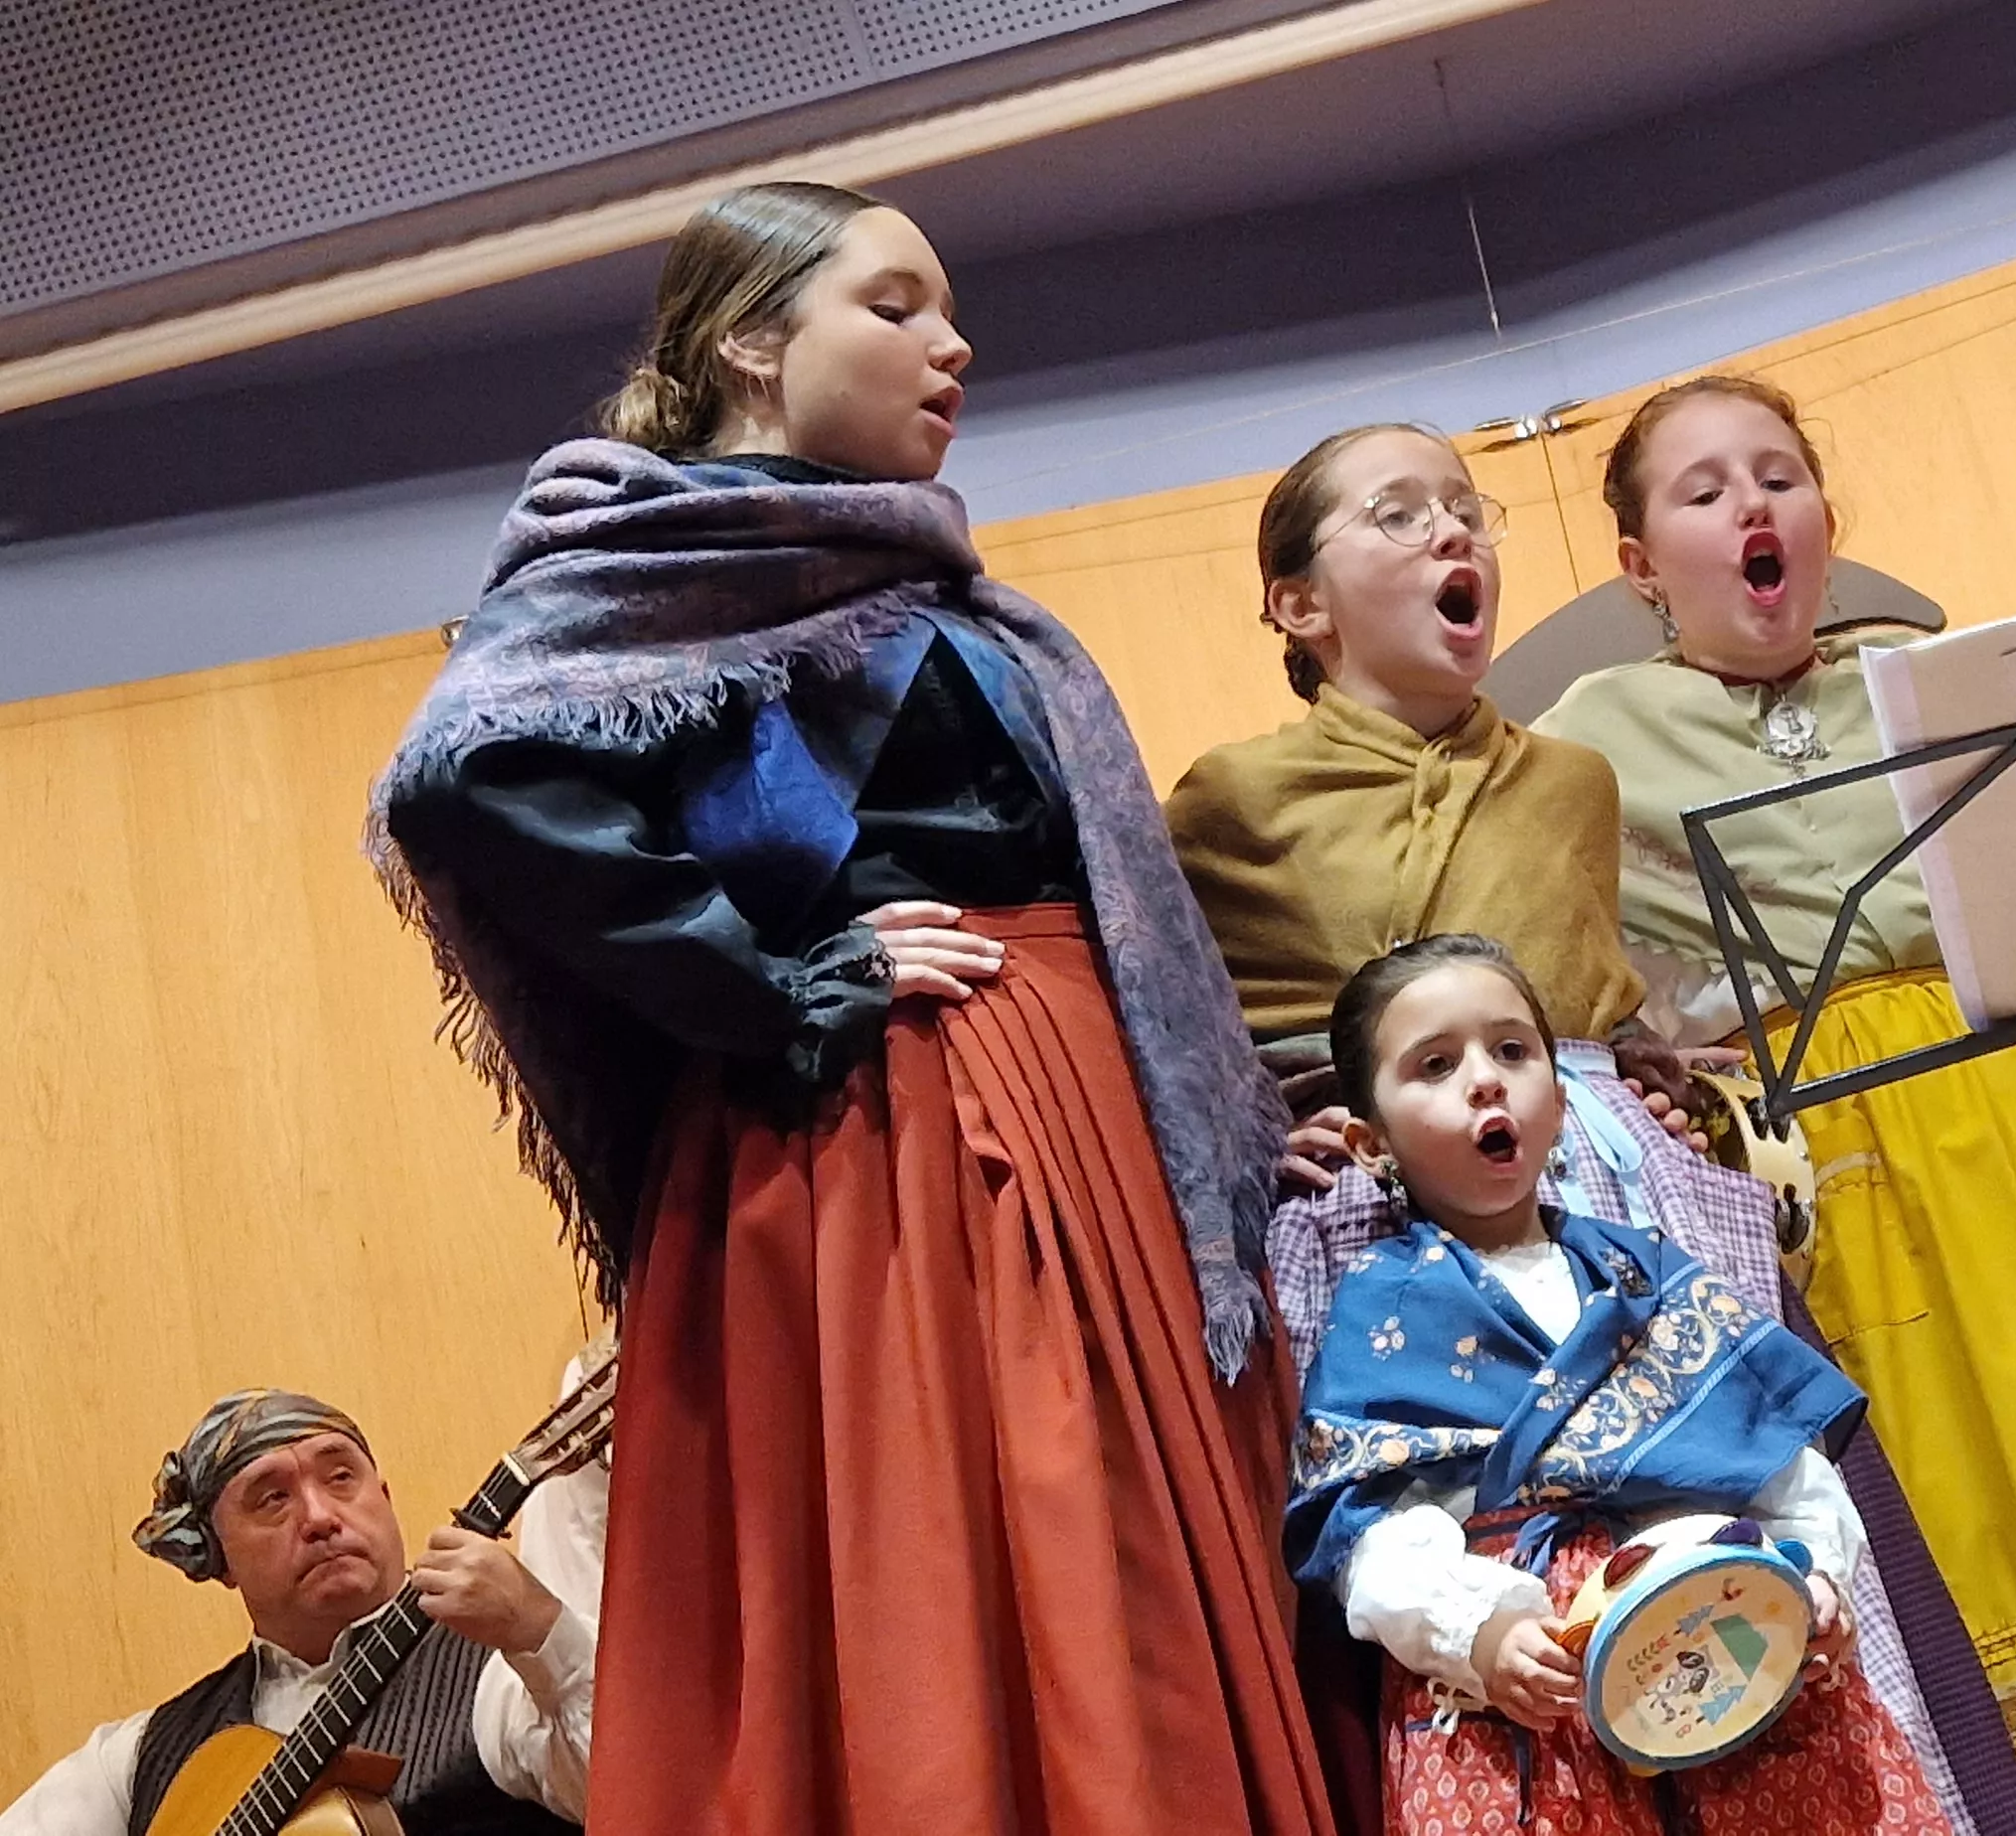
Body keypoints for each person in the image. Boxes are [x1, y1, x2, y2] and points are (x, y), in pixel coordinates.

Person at [370, 182, 1337, 1835]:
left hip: (1078, 1120)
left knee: (1117, 1571)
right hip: (886, 1140)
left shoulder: (959, 600)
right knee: (944, 1566)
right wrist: (778, 973)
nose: (951, 344)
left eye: (947, 311)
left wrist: (1244, 1108)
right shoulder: (639, 566)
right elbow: (468, 779)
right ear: (752, 342)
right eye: (893, 306)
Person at [1165, 420, 2016, 1836]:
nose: (1454, 532)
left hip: (1623, 1205)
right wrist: (1261, 1129)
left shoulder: (1570, 781)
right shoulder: (1229, 806)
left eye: (1466, 507)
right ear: (1298, 603)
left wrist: (1646, 1076)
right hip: (1390, 1233)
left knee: (1745, 1538)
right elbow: (1176, 1025)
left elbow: (1597, 986)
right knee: (1444, 1572)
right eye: (1399, 514)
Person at [1530, 376, 2016, 1836]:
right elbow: (1575, 996)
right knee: (1939, 1514)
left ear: (1825, 517)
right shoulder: (1580, 747)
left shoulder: (1930, 678)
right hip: (1824, 1168)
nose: (1753, 504)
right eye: (1705, 491)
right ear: (1641, 564)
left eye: (1780, 475)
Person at [1288, 933, 1946, 1836]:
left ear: (1560, 1102)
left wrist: (1816, 1573)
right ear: (1372, 1143)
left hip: (1730, 1640)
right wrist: (1478, 1632)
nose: (1485, 1081)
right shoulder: (1386, 1311)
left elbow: (1777, 1458)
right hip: (1533, 1691)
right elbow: (1371, 1535)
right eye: (1436, 1065)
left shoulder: (1648, 1275)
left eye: (1512, 1051)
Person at [1, 1391, 589, 1835]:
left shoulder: (500, 1676)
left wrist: (537, 1627)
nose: (320, 1517)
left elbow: (624, 1797)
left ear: (385, 1500)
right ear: (220, 1557)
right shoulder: (140, 1758)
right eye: (272, 1498)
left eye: (341, 1477)